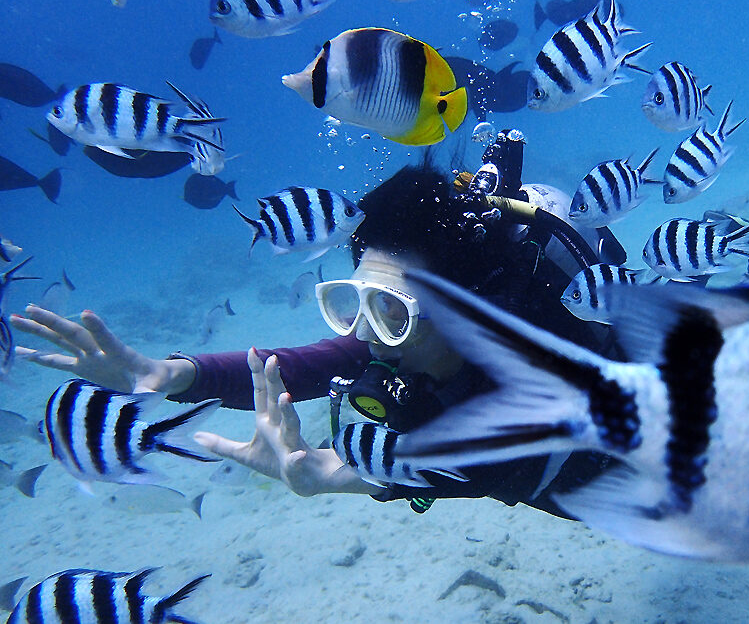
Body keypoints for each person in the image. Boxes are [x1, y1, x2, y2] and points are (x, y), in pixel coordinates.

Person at [12, 132, 616, 518]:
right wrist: (167, 373)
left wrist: (320, 474)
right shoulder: (404, 338)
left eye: (393, 311)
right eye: (357, 301)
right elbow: (312, 363)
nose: (367, 333)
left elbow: (456, 471)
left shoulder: (526, 397)